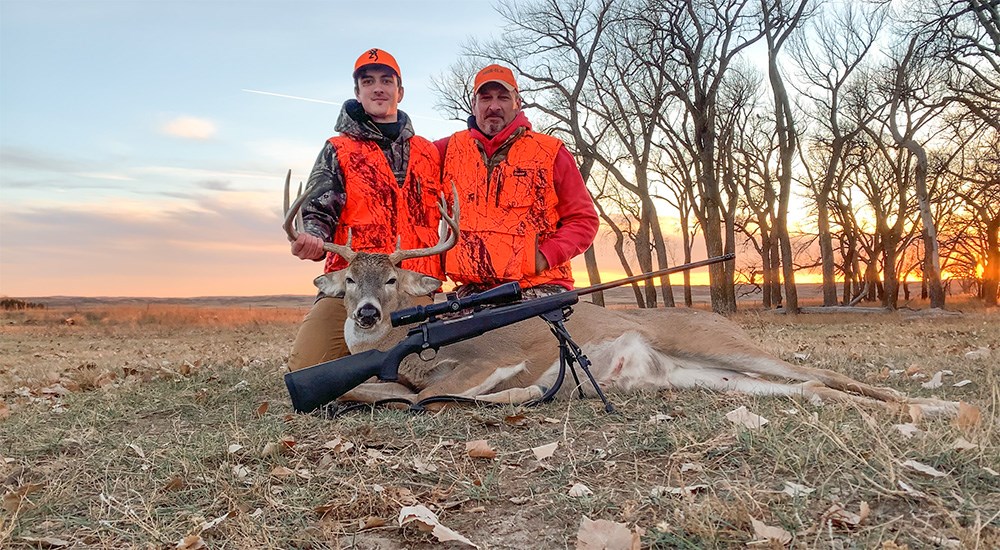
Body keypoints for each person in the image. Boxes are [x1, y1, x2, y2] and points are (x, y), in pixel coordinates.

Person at [287, 48, 445, 372]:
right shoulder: (338, 149)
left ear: (400, 91)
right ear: (357, 92)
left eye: (386, 80)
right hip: (354, 283)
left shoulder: (429, 153)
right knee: (308, 369)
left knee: (418, 368)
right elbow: (317, 211)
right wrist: (312, 237)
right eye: (368, 81)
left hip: (408, 284)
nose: (378, 88)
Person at [435, 64, 598, 298]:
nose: (494, 106)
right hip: (471, 293)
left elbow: (583, 220)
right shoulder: (446, 151)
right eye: (485, 98)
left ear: (517, 103)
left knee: (518, 335)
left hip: (536, 288)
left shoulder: (550, 152)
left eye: (503, 97)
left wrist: (544, 257)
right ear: (474, 105)